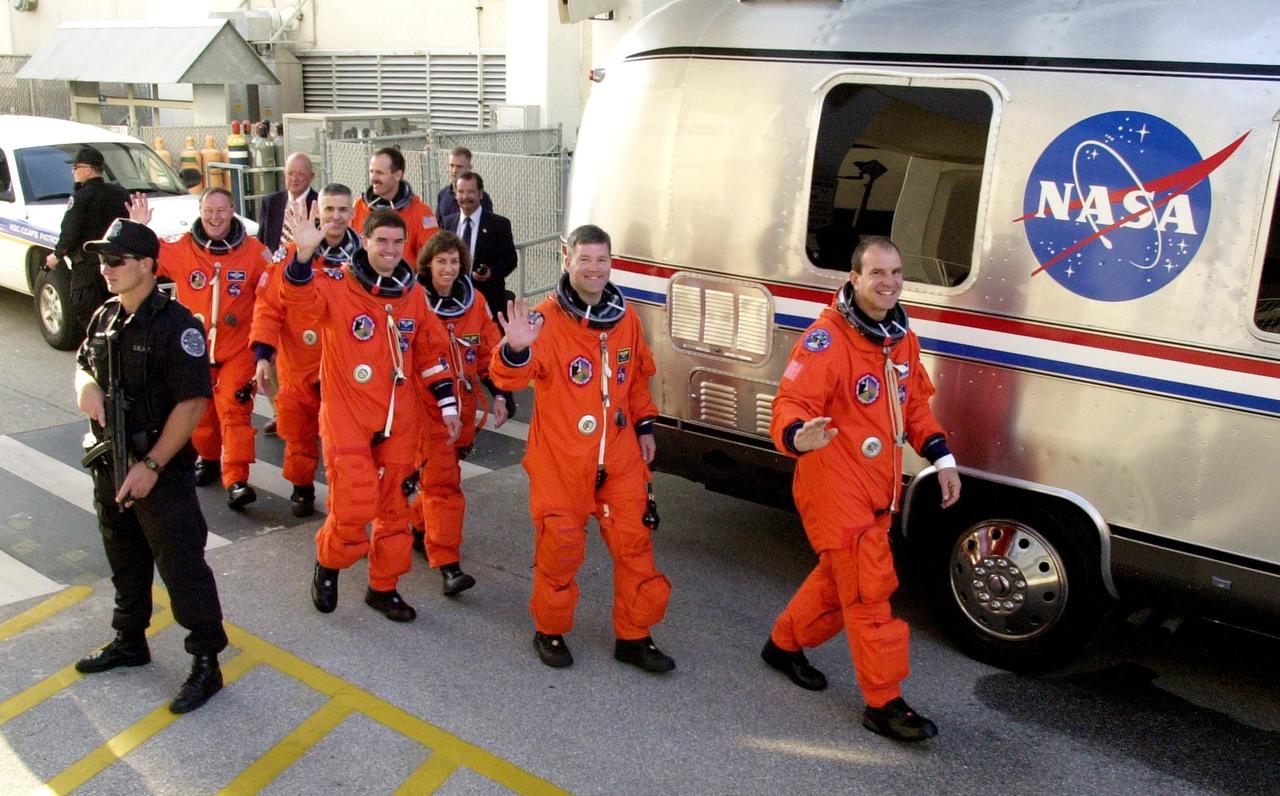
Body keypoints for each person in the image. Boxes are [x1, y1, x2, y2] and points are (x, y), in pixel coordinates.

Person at [763, 236, 961, 743]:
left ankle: (783, 645)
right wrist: (796, 436)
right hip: (833, 482)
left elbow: (913, 406)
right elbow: (792, 400)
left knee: (838, 579)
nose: (889, 282)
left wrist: (942, 459)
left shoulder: (899, 338)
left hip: (878, 486)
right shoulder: (828, 339)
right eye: (877, 273)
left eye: (896, 272)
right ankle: (884, 702)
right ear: (854, 278)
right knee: (870, 590)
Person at [490, 224, 673, 673]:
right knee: (562, 548)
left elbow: (635, 381)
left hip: (621, 457)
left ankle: (634, 636)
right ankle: (549, 630)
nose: (594, 269)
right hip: (562, 461)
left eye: (602, 260)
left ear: (611, 263)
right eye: (585, 259)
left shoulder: (624, 318)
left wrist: (645, 428)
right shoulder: (545, 321)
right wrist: (514, 349)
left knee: (635, 547)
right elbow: (511, 377)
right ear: (566, 259)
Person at [73, 218, 228, 714]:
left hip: (158, 473)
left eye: (116, 260)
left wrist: (153, 465)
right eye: (102, 260)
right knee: (125, 558)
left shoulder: (176, 326)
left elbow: (193, 404)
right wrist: (86, 388)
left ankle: (206, 661)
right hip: (111, 464)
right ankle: (130, 640)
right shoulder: (105, 317)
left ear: (146, 265)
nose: (106, 268)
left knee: (182, 567)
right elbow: (81, 364)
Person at [281, 207, 460, 622]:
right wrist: (302, 257)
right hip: (348, 416)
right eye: (382, 241)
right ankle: (328, 565)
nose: (391, 250)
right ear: (365, 242)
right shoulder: (338, 285)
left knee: (395, 508)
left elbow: (431, 352)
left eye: (398, 243)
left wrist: (448, 405)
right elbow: (299, 301)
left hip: (399, 417)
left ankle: (383, 588)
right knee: (355, 502)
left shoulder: (412, 294)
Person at [128, 188, 271, 509]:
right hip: (194, 349)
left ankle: (236, 479)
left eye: (221, 211)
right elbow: (145, 260)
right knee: (200, 411)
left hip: (238, 350)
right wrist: (139, 227)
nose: (215, 217)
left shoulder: (254, 252)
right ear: (200, 210)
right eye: (209, 211)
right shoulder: (183, 249)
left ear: (233, 210)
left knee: (235, 410)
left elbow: (275, 291)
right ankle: (207, 458)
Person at [411, 231, 512, 595]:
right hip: (427, 408)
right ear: (428, 264)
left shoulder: (475, 302)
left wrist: (499, 392)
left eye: (454, 262)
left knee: (440, 477)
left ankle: (418, 527)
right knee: (444, 485)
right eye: (441, 261)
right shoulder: (413, 303)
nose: (449, 269)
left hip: (464, 408)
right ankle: (447, 563)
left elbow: (486, 352)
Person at [251, 183, 360, 518]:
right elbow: (268, 307)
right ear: (318, 211)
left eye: (342, 210)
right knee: (298, 434)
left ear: (353, 213)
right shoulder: (292, 253)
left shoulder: (365, 258)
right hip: (299, 362)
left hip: (344, 367)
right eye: (329, 209)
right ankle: (302, 487)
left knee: (342, 439)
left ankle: (345, 498)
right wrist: (262, 355)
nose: (336, 217)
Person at [45, 146, 130, 340]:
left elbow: (70, 232)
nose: (73, 172)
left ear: (88, 170)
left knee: (90, 319)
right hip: (116, 265)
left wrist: (56, 255)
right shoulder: (120, 193)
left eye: (75, 167)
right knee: (118, 316)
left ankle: (99, 355)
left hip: (88, 271)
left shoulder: (81, 197)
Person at [440, 172, 518, 334]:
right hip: (455, 302)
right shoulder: (448, 223)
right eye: (461, 192)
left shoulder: (499, 224)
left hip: (489, 301)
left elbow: (510, 260)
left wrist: (491, 273)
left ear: (481, 194)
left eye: (471, 192)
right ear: (455, 194)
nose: (465, 196)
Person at [352, 147, 438, 268]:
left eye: (379, 173)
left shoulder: (420, 212)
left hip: (402, 282)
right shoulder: (359, 206)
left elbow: (430, 259)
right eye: (371, 171)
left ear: (397, 175)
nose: (373, 178)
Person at [257, 152, 318, 253]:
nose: (294, 179)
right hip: (273, 266)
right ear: (284, 174)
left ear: (311, 177)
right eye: (290, 173)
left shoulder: (319, 205)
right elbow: (261, 243)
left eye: (301, 174)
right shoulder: (270, 202)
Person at [434, 146, 493, 223]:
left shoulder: (480, 197)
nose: (454, 170)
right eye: (451, 165)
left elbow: (488, 225)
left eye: (459, 166)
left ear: (469, 168)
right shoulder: (443, 195)